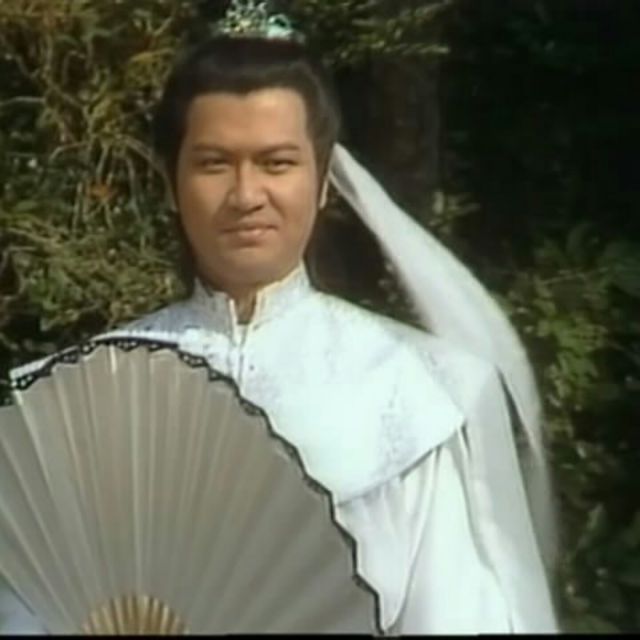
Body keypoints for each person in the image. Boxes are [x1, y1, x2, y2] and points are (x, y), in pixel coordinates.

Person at [2, 5, 560, 634]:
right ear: (171, 182)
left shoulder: (409, 395)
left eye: (276, 163)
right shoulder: (84, 397)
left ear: (322, 182)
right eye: (214, 163)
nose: (246, 196)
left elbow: (456, 614)